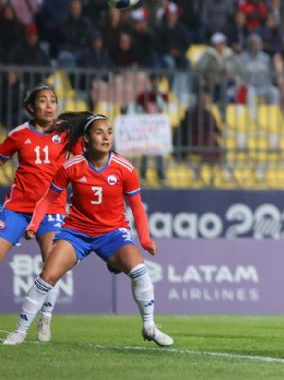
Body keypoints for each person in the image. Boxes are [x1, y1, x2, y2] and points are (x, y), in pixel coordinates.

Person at [2, 112, 173, 347]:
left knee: (140, 271)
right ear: (86, 139)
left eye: (109, 132)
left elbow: (137, 209)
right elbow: (47, 200)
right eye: (99, 132)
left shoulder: (125, 169)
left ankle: (149, 326)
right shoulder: (71, 167)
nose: (106, 137)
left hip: (112, 233)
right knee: (47, 276)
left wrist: (144, 239)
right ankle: (20, 332)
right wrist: (33, 224)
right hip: (76, 233)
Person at [0, 86, 79, 343]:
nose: (49, 105)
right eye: (42, 101)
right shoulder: (18, 135)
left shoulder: (66, 135)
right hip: (17, 209)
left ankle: (46, 317)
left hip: (51, 209)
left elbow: (81, 165)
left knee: (52, 265)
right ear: (31, 108)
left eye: (53, 101)